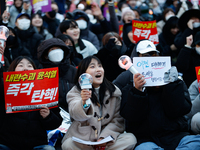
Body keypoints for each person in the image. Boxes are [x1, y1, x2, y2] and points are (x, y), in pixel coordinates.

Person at [114, 40, 200, 150]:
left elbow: (182, 110)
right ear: (137, 59)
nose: (150, 58)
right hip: (146, 139)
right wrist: (138, 91)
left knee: (197, 142)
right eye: (145, 55)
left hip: (176, 136)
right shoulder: (130, 86)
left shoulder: (174, 80)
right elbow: (131, 117)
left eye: (154, 54)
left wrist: (172, 86)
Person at [61, 55, 137, 150]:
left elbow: (117, 120)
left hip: (106, 142)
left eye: (100, 66)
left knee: (130, 139)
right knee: (68, 144)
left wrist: (103, 138)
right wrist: (84, 102)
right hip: (83, 139)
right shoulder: (75, 92)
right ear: (83, 74)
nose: (98, 69)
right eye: (92, 67)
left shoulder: (114, 91)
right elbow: (75, 114)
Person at [0, 48, 62, 149]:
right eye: (20, 65)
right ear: (12, 69)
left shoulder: (44, 90)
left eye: (29, 66)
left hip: (35, 145)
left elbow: (56, 123)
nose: (25, 68)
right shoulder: (3, 87)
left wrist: (48, 116)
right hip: (7, 144)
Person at [37, 38, 77, 112]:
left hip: (74, 111)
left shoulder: (73, 70)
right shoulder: (40, 74)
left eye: (58, 48)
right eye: (52, 49)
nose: (56, 51)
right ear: (45, 55)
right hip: (52, 113)